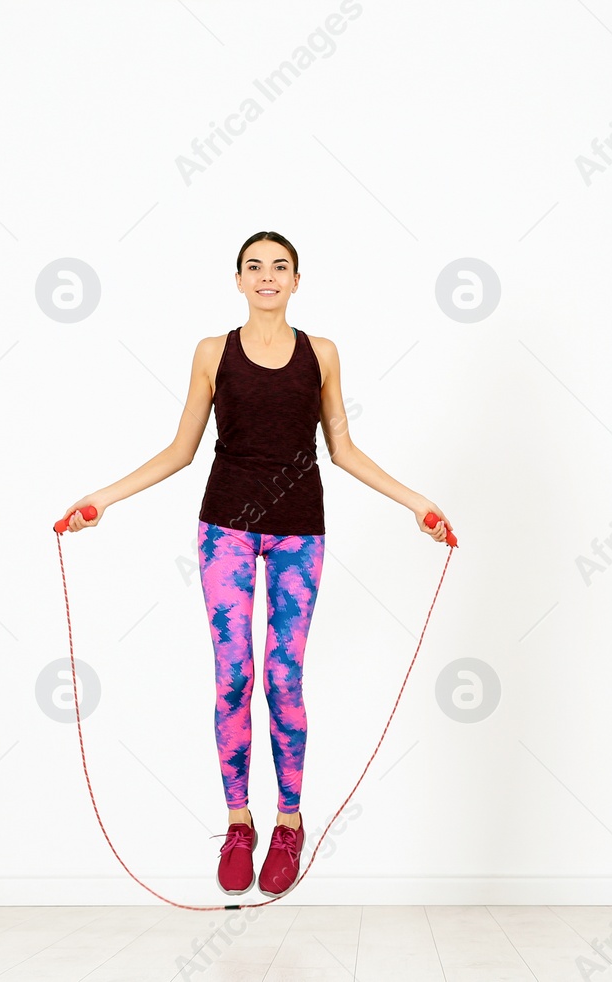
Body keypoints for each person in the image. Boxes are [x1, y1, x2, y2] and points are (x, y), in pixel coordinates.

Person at [58, 230, 452, 898]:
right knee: (233, 675)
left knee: (283, 677)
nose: (266, 276)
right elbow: (181, 449)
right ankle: (239, 823)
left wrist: (417, 504)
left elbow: (344, 448)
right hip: (226, 532)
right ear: (237, 280)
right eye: (254, 267)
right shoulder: (212, 353)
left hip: (300, 531)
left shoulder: (320, 354)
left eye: (280, 267)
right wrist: (103, 499)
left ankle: (289, 822)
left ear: (298, 280)